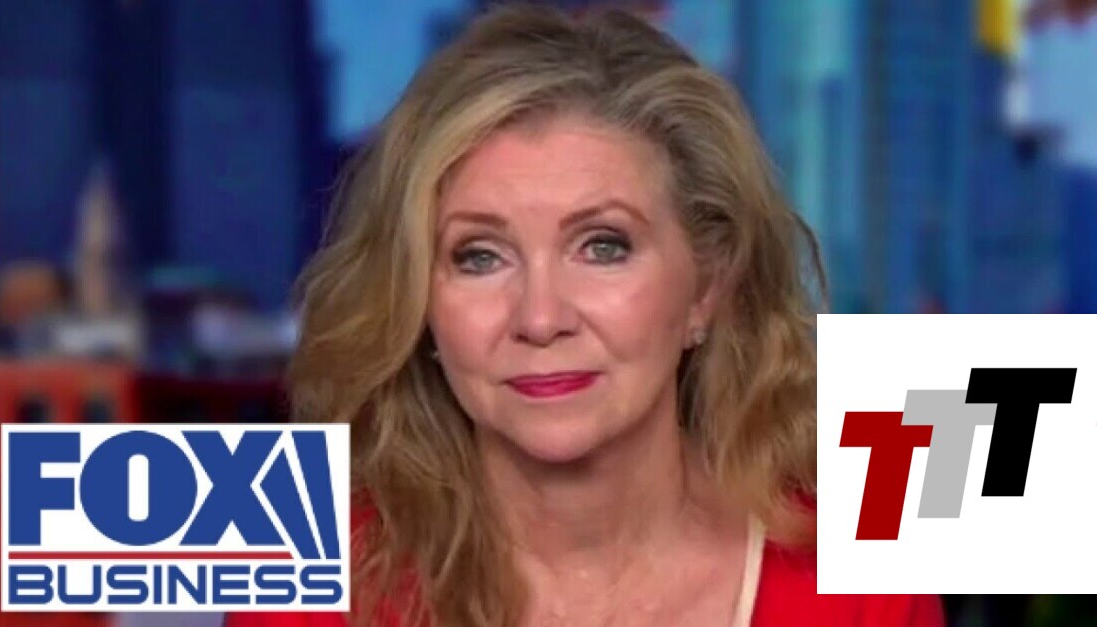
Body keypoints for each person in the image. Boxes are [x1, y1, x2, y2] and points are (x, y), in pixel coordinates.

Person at [227, 4, 945, 626]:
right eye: (479, 256)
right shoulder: (299, 569)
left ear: (706, 287)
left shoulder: (864, 573)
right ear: (419, 303)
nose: (540, 318)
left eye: (603, 246)